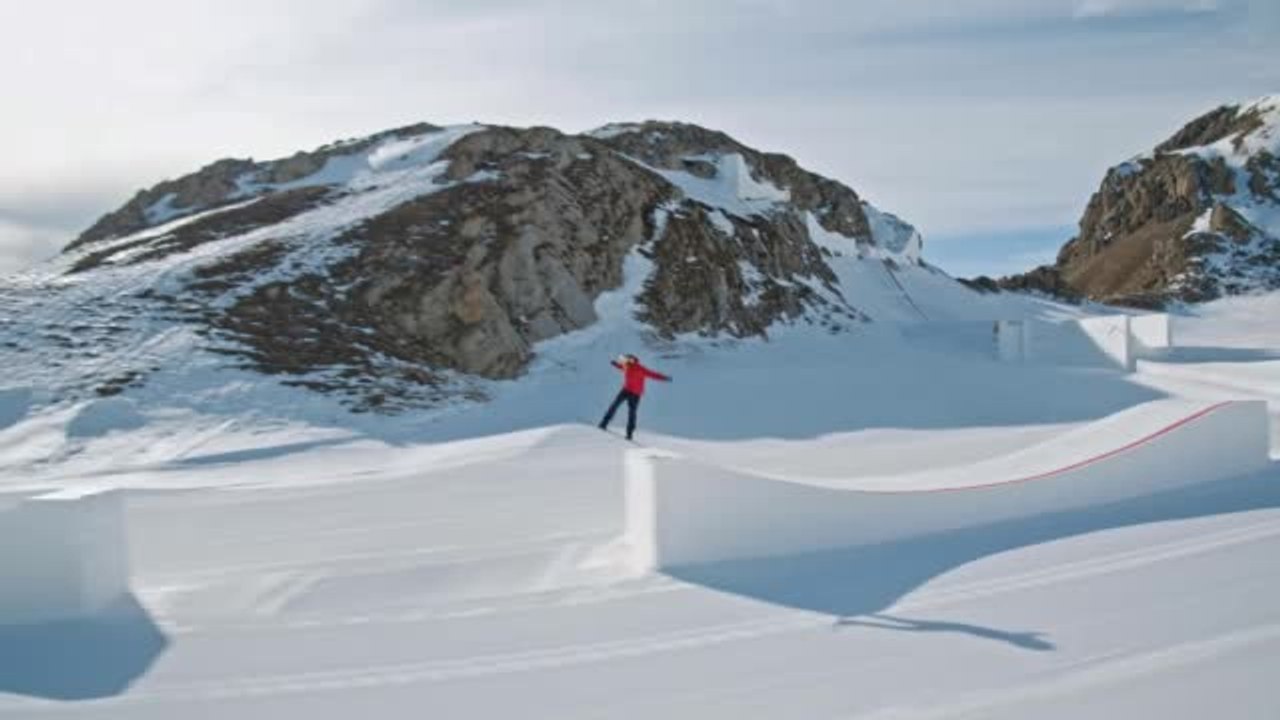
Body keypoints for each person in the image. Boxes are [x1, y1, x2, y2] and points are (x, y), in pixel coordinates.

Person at [598, 354, 671, 441]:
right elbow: (621, 367)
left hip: (635, 394)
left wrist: (664, 378)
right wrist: (615, 364)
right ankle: (604, 423)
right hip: (625, 390)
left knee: (632, 412)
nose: (625, 362)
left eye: (627, 360)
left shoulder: (640, 369)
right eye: (625, 361)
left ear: (632, 361)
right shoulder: (626, 366)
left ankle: (629, 433)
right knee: (614, 405)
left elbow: (653, 374)